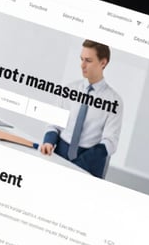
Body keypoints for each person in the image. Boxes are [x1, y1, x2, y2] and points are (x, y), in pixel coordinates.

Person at [39, 40, 122, 177]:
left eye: (88, 60)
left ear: (103, 62)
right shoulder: (69, 89)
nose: (82, 65)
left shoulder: (114, 101)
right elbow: (54, 124)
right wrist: (48, 142)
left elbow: (110, 142)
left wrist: (80, 163)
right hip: (60, 153)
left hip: (89, 162)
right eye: (81, 59)